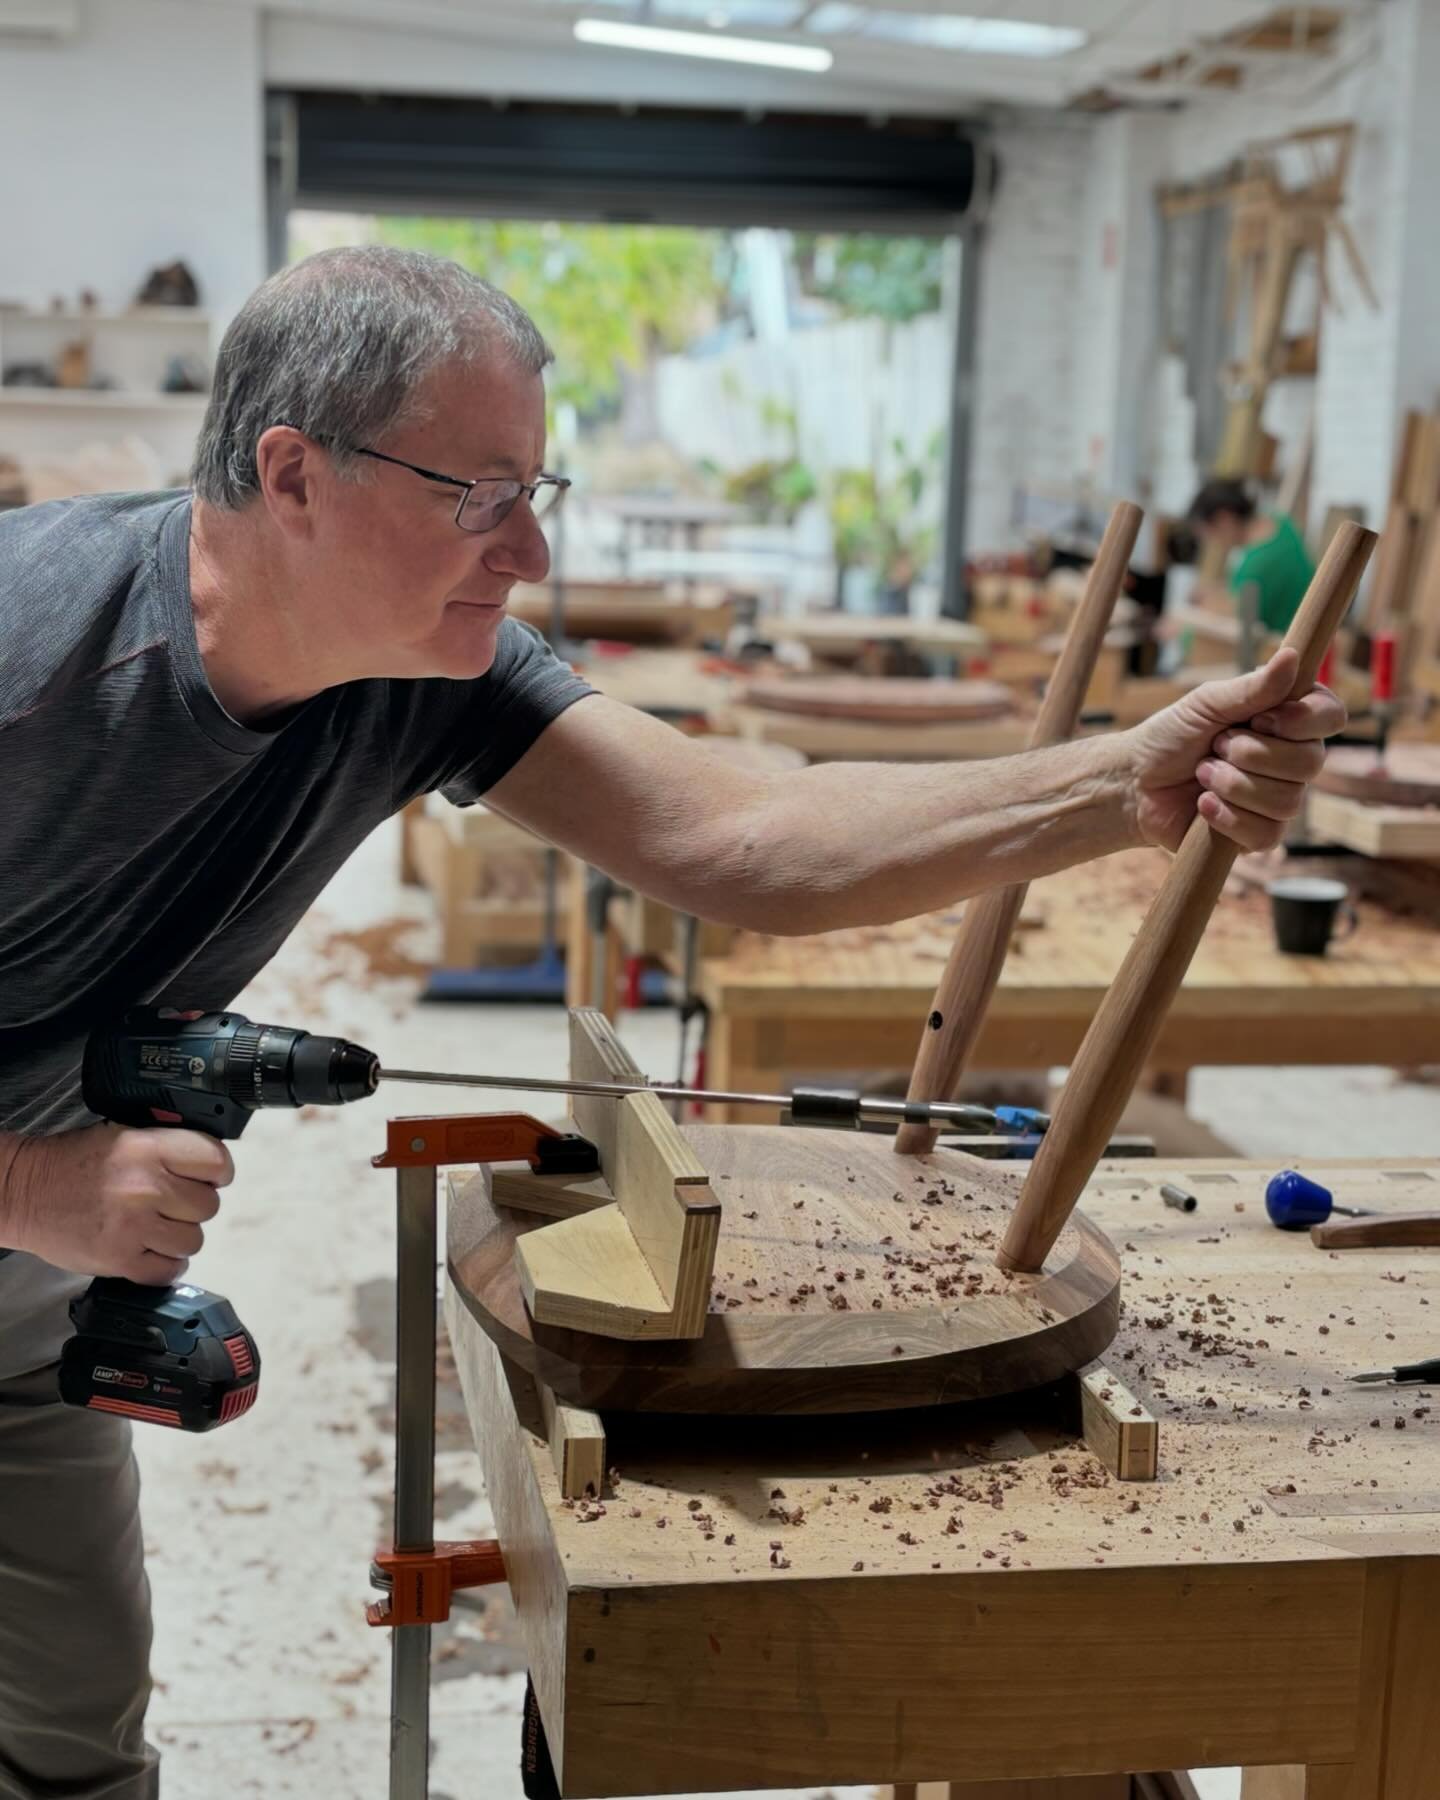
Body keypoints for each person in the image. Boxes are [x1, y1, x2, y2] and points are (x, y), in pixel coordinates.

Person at [0, 246, 1345, 1797]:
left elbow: (742, 838)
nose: (531, 552)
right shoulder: (35, 665)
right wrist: (39, 1186)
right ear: (291, 472)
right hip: (38, 1213)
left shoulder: (421, 674)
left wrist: (1123, 787)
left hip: (33, 1300)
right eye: (477, 491)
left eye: (538, 487)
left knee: (72, 1750)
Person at [1188, 476, 1316, 635]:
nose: (1215, 545)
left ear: (1224, 520)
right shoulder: (1280, 523)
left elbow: (1240, 623)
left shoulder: (1256, 564)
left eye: (1210, 535)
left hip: (1278, 646)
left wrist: (1186, 629)